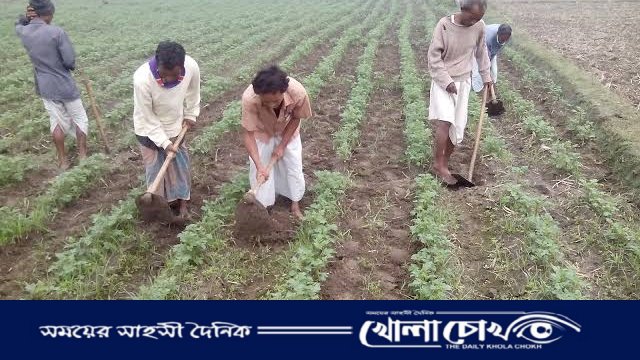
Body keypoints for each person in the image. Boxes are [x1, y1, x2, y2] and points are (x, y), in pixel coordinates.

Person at [15, 0, 89, 170]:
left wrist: (26, 19)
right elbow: (70, 62)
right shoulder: (56, 32)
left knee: (56, 122)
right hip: (64, 84)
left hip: (45, 86)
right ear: (48, 13)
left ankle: (63, 161)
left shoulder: (23, 32)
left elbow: (18, 24)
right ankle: (83, 156)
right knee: (80, 119)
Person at [133, 41, 200, 220]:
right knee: (155, 169)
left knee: (180, 166)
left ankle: (183, 203)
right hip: (147, 130)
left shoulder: (191, 66)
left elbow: (194, 91)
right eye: (165, 74)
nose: (169, 79)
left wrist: (191, 113)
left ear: (182, 66)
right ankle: (160, 209)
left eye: (174, 75)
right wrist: (164, 143)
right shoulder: (142, 80)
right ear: (158, 64)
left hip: (175, 126)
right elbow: (148, 118)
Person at [428, 0, 493, 186]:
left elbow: (482, 52)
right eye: (471, 18)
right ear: (462, 10)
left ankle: (445, 163)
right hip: (444, 81)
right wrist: (446, 81)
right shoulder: (444, 25)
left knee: (458, 126)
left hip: (464, 81)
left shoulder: (479, 26)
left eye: (478, 19)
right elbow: (434, 57)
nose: (474, 22)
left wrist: (486, 75)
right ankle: (438, 165)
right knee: (445, 121)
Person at [241, 65, 313, 220]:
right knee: (258, 170)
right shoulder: (250, 98)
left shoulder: (298, 93)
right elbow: (248, 134)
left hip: (287, 129)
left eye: (274, 101)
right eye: (265, 102)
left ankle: (295, 204)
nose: (270, 105)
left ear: (283, 91)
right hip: (262, 131)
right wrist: (260, 166)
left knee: (293, 165)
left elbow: (296, 118)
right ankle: (264, 207)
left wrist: (282, 146)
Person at [472, 23, 512, 92]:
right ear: (498, 34)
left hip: (491, 50)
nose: (504, 41)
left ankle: (491, 85)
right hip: (477, 47)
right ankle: (476, 89)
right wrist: (487, 73)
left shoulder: (508, 36)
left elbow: (497, 49)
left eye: (506, 39)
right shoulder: (488, 39)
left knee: (493, 73)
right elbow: (484, 58)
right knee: (477, 70)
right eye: (502, 39)